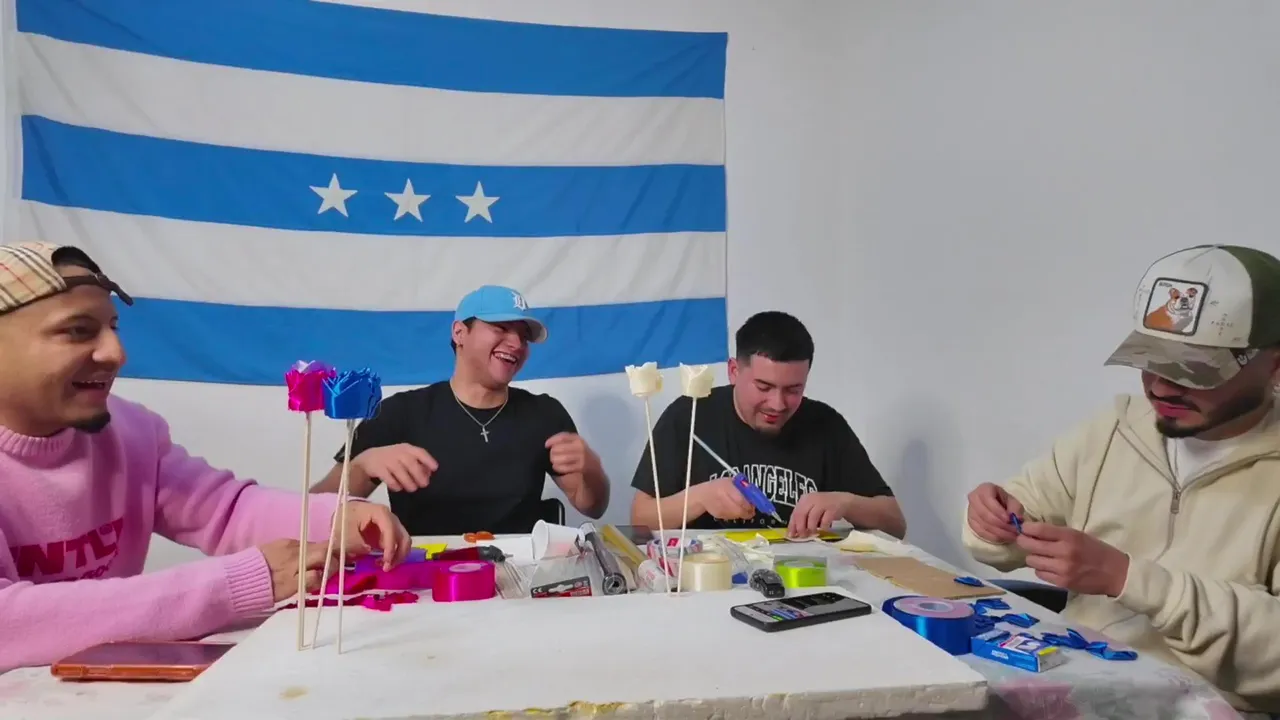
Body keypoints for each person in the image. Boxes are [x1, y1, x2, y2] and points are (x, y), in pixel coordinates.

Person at [0, 242, 411, 673]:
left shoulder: (132, 432)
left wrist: (337, 517)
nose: (116, 353)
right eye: (77, 331)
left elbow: (224, 511)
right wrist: (236, 584)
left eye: (113, 327)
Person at [962, 244, 1280, 715]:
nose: (1162, 387)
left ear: (1273, 365)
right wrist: (990, 521)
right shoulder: (1114, 429)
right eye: (1152, 360)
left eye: (1195, 369)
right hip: (1069, 687)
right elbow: (1001, 535)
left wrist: (1128, 578)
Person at [311, 285, 609, 534]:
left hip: (520, 573)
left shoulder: (545, 413)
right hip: (424, 574)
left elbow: (592, 506)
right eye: (501, 328)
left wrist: (591, 466)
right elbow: (312, 512)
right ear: (459, 332)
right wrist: (363, 466)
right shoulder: (399, 412)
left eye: (524, 336)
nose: (517, 343)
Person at [629, 311, 905, 539]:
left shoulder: (825, 424)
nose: (778, 404)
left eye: (794, 390)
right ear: (734, 371)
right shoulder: (688, 415)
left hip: (800, 576)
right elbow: (640, 518)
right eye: (764, 387)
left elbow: (895, 524)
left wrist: (845, 502)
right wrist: (699, 498)